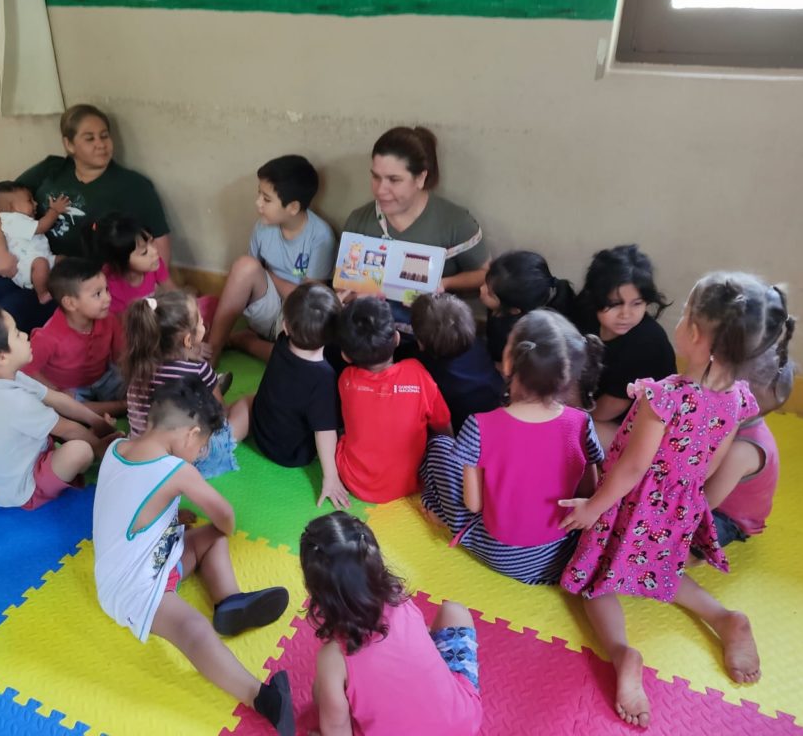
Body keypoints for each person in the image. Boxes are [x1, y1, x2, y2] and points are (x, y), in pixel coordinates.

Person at [558, 272, 793, 728]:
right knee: (663, 567)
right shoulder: (740, 399)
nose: (679, 322)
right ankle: (725, 618)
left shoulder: (663, 397)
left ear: (697, 336)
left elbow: (630, 469)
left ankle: (623, 653)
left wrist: (593, 507)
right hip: (680, 504)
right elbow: (710, 461)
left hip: (634, 502)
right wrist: (681, 498)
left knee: (594, 583)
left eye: (685, 315)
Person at [94, 376, 294, 735]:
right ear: (190, 434)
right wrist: (225, 528)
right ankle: (261, 697)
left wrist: (170, 516)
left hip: (151, 559)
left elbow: (131, 499)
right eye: (203, 445)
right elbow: (227, 516)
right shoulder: (177, 472)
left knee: (204, 535)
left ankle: (231, 602)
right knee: (194, 629)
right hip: (131, 588)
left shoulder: (118, 446)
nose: (202, 453)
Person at [419, 310, 604, 585]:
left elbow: (473, 505)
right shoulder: (581, 422)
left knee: (440, 446)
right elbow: (588, 491)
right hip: (559, 554)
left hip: (501, 554)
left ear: (509, 362)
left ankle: (432, 509)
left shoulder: (479, 425)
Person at [0, 104, 171, 333]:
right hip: (20, 261)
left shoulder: (132, 185)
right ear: (69, 144)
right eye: (89, 138)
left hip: (67, 281)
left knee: (6, 314)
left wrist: (155, 292)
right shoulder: (52, 169)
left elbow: (160, 242)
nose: (100, 144)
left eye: (104, 136)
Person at [301, 511, 483, 735]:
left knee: (321, 691)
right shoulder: (398, 597)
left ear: (316, 591)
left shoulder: (333, 657)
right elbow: (421, 638)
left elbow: (337, 728)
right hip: (463, 725)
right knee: (454, 611)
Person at [0, 304, 119, 510]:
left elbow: (58, 399)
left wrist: (97, 423)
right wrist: (100, 448)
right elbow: (68, 429)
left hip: (29, 456)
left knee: (67, 425)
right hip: (25, 490)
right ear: (1, 357)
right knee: (81, 452)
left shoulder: (3, 378)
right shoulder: (11, 401)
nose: (26, 335)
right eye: (16, 333)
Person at [206, 155, 336, 366]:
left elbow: (310, 301)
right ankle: (211, 352)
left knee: (304, 361)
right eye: (259, 194)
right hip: (266, 307)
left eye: (266, 199)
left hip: (296, 317)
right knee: (243, 265)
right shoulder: (263, 226)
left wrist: (270, 275)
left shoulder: (320, 237)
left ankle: (246, 342)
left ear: (293, 207)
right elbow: (248, 274)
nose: (258, 203)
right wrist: (263, 274)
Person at [343, 127, 490, 308]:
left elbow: (484, 274)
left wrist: (443, 284)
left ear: (420, 178)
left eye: (394, 180)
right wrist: (351, 295)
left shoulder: (457, 223)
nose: (380, 190)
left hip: (431, 328)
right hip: (371, 328)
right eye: (376, 177)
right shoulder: (359, 221)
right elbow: (343, 284)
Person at [335, 297, 451, 504]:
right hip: (409, 482)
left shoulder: (346, 380)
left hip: (354, 481)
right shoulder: (418, 374)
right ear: (397, 338)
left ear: (346, 356)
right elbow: (443, 425)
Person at [124, 291, 250, 479]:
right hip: (189, 462)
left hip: (144, 455)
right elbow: (219, 415)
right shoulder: (199, 370)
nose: (203, 324)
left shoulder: (138, 368)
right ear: (188, 340)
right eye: (199, 321)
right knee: (246, 405)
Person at [250, 282, 347, 508]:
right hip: (291, 453)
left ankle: (223, 436)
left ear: (285, 326)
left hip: (261, 431)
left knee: (249, 399)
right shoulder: (324, 377)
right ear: (334, 335)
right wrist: (330, 476)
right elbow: (324, 431)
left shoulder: (282, 343)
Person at [571, 245, 676, 449]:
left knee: (571, 429)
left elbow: (606, 410)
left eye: (637, 304)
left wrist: (565, 412)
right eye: (615, 303)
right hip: (596, 404)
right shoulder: (584, 313)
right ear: (596, 297)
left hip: (645, 430)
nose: (626, 314)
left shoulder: (647, 342)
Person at [705, 316, 795, 549]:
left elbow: (706, 502)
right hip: (709, 493)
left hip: (727, 517)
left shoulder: (743, 450)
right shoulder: (727, 418)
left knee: (672, 544)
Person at [22, 258, 126, 417]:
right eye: (97, 294)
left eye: (107, 290)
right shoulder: (48, 336)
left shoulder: (109, 319)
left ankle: (122, 404)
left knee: (136, 383)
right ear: (70, 303)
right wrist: (56, 392)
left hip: (104, 377)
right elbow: (28, 368)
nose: (107, 298)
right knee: (69, 407)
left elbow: (120, 355)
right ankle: (122, 407)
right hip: (71, 388)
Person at [410, 293, 502, 434]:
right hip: (491, 413)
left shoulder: (423, 371)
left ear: (421, 344)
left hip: (461, 430)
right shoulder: (479, 345)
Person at [481, 250, 577, 367]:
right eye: (485, 283)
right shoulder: (517, 302)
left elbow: (500, 365)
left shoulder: (507, 335)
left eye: (490, 294)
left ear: (514, 310)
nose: (482, 289)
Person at [0, 181, 70, 304]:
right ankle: (42, 294)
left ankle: (62, 283)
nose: (35, 203)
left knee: (62, 260)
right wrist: (54, 210)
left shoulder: (19, 219)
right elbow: (41, 227)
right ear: (12, 208)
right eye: (29, 201)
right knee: (41, 264)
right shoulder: (13, 221)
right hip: (25, 267)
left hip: (41, 258)